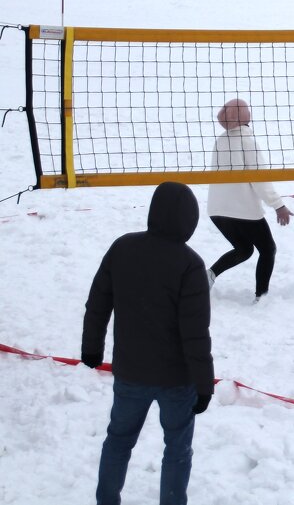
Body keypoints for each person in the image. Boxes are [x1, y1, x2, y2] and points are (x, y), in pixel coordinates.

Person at [81, 181, 215, 505]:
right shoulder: (190, 265)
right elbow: (195, 333)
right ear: (190, 221)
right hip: (177, 382)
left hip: (130, 373)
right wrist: (204, 384)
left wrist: (91, 348)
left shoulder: (122, 247)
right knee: (178, 450)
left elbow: (98, 303)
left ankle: (107, 500)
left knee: (118, 441)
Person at [206, 98, 294, 302]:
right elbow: (259, 180)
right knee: (268, 249)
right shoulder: (248, 143)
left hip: (217, 210)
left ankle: (208, 275)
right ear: (246, 119)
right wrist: (278, 205)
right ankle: (261, 296)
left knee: (244, 249)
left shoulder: (220, 140)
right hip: (242, 211)